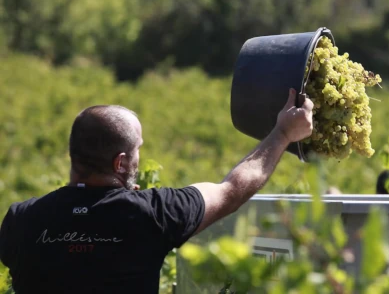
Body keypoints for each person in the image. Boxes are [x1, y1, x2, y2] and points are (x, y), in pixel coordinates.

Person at [0, 88, 313, 294]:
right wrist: (283, 133)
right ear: (121, 163)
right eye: (138, 150)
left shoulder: (21, 218)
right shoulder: (153, 213)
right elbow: (232, 189)